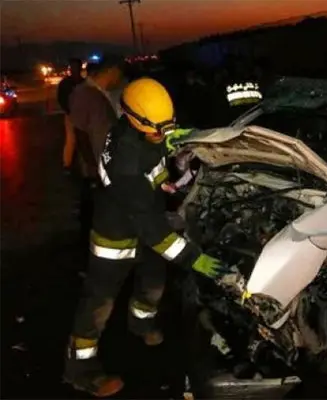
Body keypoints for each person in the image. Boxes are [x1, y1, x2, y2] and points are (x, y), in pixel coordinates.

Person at [63, 77, 230, 397]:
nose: (162, 134)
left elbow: (153, 161)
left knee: (153, 281)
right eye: (157, 130)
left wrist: (171, 152)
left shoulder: (131, 129)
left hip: (144, 218)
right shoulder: (126, 163)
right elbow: (155, 232)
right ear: (134, 120)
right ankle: (79, 369)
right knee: (99, 302)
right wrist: (194, 258)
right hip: (115, 237)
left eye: (167, 126)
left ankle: (140, 323)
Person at [68, 57, 123, 246]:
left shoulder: (100, 92)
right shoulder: (84, 93)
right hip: (94, 165)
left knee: (101, 207)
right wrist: (91, 165)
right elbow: (80, 132)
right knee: (92, 208)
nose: (120, 77)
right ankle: (88, 248)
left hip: (103, 163)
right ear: (110, 70)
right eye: (118, 72)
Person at [57, 58, 85, 173]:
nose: (74, 69)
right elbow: (61, 99)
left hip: (84, 115)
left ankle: (85, 165)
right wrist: (68, 111)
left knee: (84, 140)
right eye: (72, 67)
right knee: (71, 139)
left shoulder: (84, 82)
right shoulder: (65, 83)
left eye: (76, 67)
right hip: (71, 115)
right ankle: (67, 164)